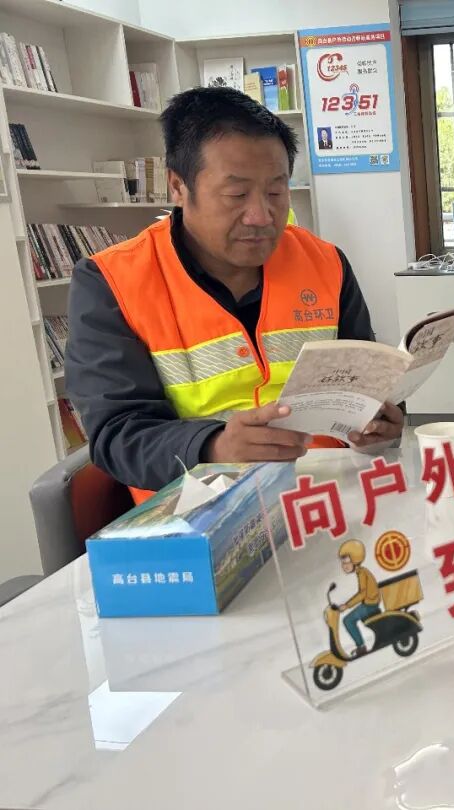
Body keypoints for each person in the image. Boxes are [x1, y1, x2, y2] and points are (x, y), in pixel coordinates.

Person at [66, 87, 403, 502]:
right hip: (197, 510)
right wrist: (214, 446)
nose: (261, 215)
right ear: (178, 186)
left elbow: (364, 384)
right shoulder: (112, 282)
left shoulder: (326, 262)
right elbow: (117, 435)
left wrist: (381, 424)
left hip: (329, 498)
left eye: (276, 192)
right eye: (236, 195)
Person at [336, 539, 381, 653]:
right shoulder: (361, 572)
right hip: (369, 603)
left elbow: (362, 593)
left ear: (355, 560)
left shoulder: (362, 573)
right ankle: (361, 645)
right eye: (343, 563)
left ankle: (361, 646)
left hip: (370, 605)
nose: (344, 566)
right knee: (348, 619)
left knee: (348, 620)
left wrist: (347, 605)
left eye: (347, 562)